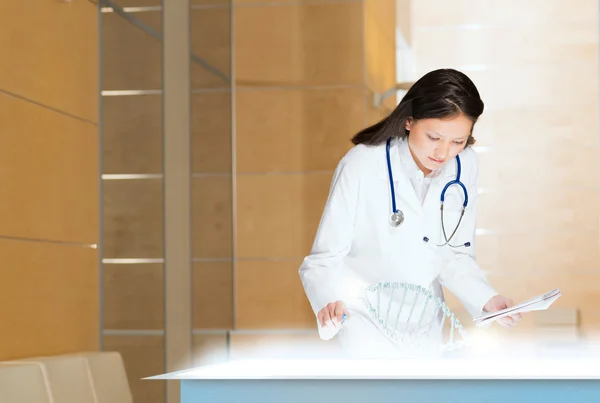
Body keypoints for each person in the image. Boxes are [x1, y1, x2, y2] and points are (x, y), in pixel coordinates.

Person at [298, 68, 521, 358]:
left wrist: (487, 299)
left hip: (425, 322)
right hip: (366, 320)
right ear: (409, 120)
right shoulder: (362, 164)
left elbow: (453, 254)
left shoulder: (464, 165)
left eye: (458, 141)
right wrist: (328, 303)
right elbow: (321, 262)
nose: (444, 153)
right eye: (434, 137)